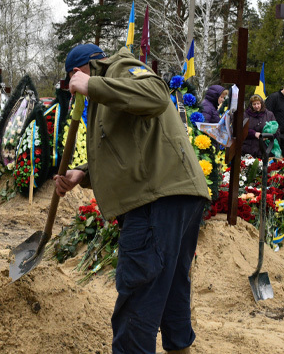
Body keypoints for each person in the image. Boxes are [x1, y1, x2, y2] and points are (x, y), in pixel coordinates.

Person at [55, 44, 210, 354]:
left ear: (79, 71)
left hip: (156, 199)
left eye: (73, 81)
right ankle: (181, 348)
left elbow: (155, 94)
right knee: (170, 290)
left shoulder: (118, 66)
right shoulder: (108, 95)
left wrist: (92, 84)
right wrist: (82, 175)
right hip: (174, 195)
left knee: (138, 295)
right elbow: (127, 146)